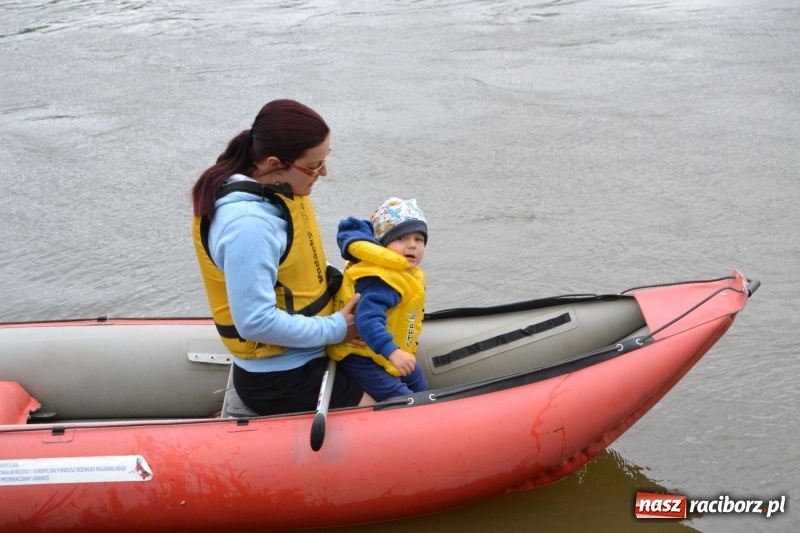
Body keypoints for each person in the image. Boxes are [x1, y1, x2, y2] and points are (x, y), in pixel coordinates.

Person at [191, 99, 373, 416]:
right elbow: (254, 322)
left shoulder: (270, 190)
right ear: (274, 164)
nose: (324, 172)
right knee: (386, 412)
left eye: (325, 159)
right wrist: (337, 328)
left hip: (306, 352)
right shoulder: (249, 225)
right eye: (314, 165)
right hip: (282, 378)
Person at [326, 198, 429, 401]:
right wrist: (393, 352)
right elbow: (367, 319)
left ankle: (434, 408)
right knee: (401, 397)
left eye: (419, 239)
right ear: (383, 244)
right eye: (402, 239)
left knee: (418, 380)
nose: (412, 245)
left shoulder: (403, 274)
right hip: (361, 357)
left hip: (381, 353)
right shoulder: (381, 280)